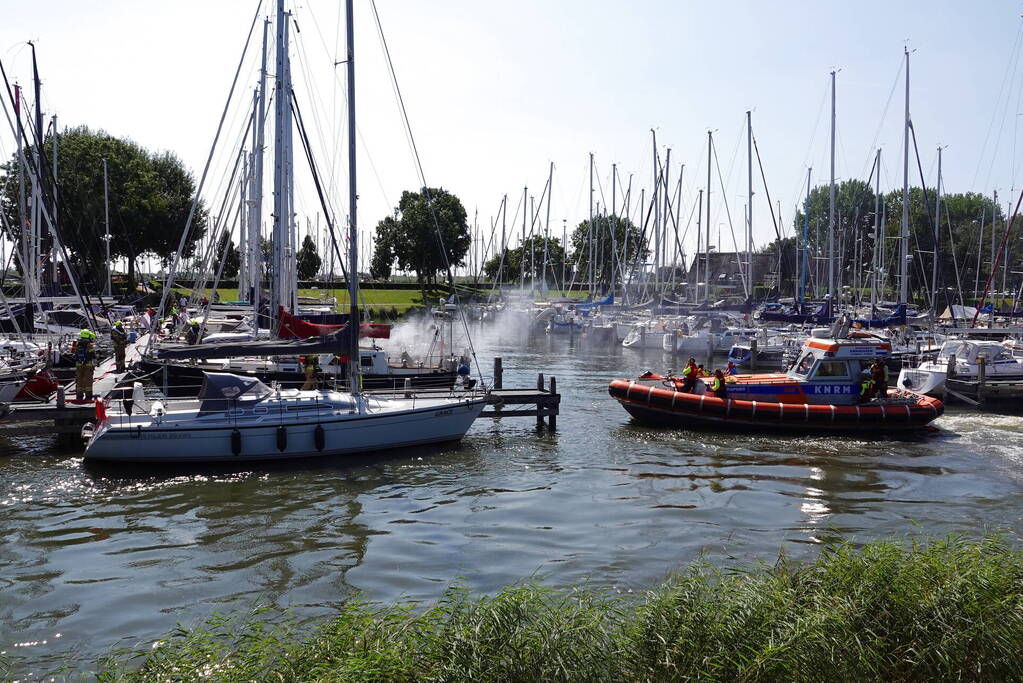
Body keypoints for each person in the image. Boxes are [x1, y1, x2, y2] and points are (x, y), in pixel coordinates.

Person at [70, 329, 97, 400]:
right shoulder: (89, 344)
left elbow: (73, 353)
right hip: (87, 365)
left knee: (79, 380)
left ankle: (79, 396)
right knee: (88, 380)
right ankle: (88, 396)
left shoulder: (77, 343)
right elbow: (93, 355)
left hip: (78, 364)